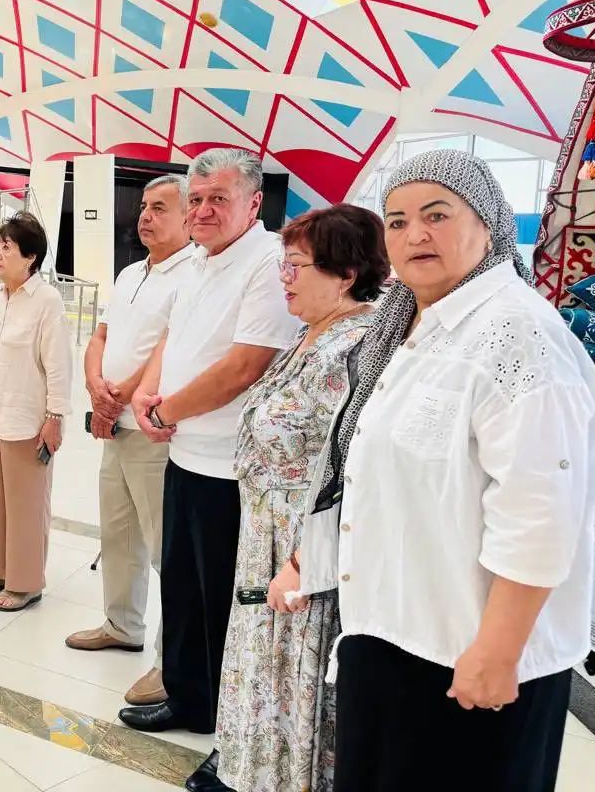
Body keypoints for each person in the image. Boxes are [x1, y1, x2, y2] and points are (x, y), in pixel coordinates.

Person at [305, 150, 595, 792]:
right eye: (397, 220)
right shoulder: (415, 327)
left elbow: (540, 514)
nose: (415, 234)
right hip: (392, 632)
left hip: (466, 657)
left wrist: (497, 651)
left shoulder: (518, 336)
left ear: (488, 226)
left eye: (437, 215)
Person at [207, 205, 387, 792]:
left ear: (346, 274)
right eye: (282, 265)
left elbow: (352, 468)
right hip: (266, 533)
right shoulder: (310, 335)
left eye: (296, 266)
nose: (284, 277)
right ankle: (251, 773)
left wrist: (305, 561)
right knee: (261, 667)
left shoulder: (353, 347)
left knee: (289, 676)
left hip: (301, 545)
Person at [122, 148, 299, 739]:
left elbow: (246, 364)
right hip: (183, 454)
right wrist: (146, 394)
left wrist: (166, 409)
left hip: (231, 469)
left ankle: (228, 728)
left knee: (223, 599)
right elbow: (171, 338)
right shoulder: (198, 261)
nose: (201, 210)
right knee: (182, 589)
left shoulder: (269, 263)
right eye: (195, 199)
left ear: (254, 203)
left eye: (217, 199)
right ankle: (188, 700)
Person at [65, 175, 194, 708]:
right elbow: (100, 336)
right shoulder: (130, 273)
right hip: (114, 423)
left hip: (152, 431)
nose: (145, 216)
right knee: (117, 534)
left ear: (188, 217)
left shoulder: (193, 274)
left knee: (165, 547)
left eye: (160, 208)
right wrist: (95, 385)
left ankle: (173, 660)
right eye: (144, 206)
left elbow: (170, 346)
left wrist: (122, 395)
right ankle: (122, 625)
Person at [0, 212, 72, 612]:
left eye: (7, 247)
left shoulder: (46, 300)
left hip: (28, 418)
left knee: (27, 504)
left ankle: (26, 582)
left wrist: (55, 417)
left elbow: (58, 365)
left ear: (30, 257)